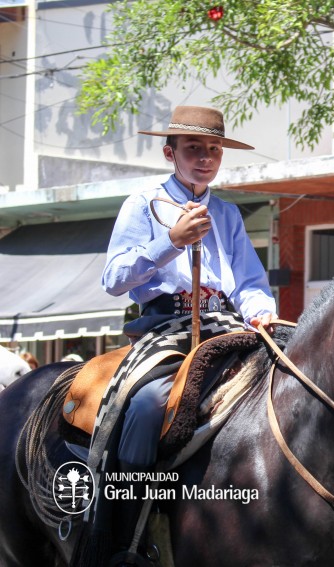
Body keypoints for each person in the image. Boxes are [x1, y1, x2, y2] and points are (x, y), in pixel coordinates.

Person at [101, 105, 276, 552]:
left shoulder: (229, 214)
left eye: (213, 149)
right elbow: (114, 279)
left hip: (226, 324)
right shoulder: (142, 204)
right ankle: (127, 527)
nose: (205, 157)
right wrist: (170, 242)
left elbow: (251, 282)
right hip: (166, 325)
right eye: (193, 148)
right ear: (169, 153)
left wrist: (261, 312)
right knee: (145, 404)